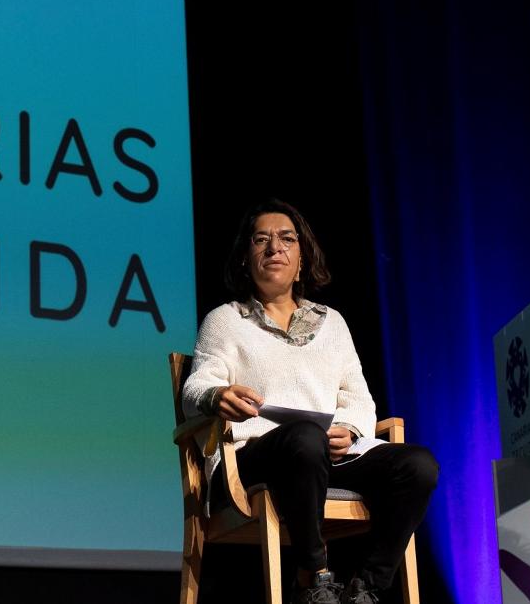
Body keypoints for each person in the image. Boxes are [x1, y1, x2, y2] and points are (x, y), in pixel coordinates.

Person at [182, 199, 438, 604]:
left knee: (418, 465)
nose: (274, 248)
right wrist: (218, 395)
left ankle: (367, 587)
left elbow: (358, 398)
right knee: (303, 437)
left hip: (325, 457)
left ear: (302, 260)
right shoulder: (225, 320)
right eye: (261, 240)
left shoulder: (332, 323)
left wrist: (349, 429)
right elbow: (195, 388)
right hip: (254, 458)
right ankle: (313, 577)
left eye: (287, 239)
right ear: (245, 259)